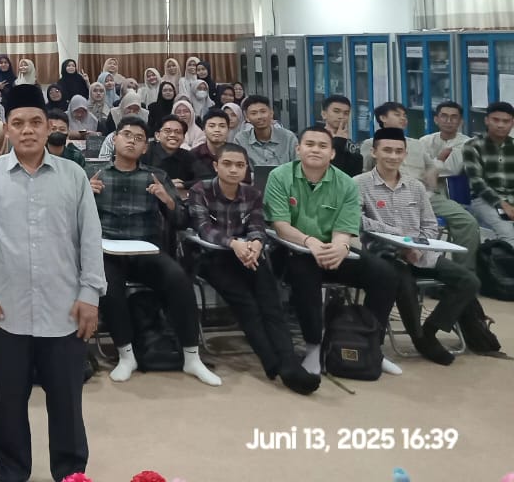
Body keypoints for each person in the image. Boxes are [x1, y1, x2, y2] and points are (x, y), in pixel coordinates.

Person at [0, 83, 104, 481]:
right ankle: (11, 470)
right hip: (6, 309)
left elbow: (90, 238)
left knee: (67, 400)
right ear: (7, 130)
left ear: (49, 127)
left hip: (65, 309)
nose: (27, 130)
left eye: (35, 122)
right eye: (18, 123)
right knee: (9, 400)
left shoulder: (74, 176)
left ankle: (71, 472)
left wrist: (90, 294)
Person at [90, 117, 219, 386]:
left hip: (146, 250)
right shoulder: (96, 175)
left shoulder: (156, 176)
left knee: (178, 278)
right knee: (108, 286)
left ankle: (191, 357)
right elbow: (72, 221)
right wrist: (86, 195)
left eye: (139, 138)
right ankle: (126, 356)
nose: (131, 141)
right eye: (126, 135)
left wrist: (167, 199)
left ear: (145, 147)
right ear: (115, 139)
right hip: (107, 251)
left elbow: (182, 220)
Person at [264, 125, 401, 376]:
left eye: (322, 146)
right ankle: (313, 347)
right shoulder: (280, 176)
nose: (316, 150)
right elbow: (280, 225)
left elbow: (345, 228)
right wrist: (310, 242)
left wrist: (340, 247)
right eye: (310, 144)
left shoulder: (346, 183)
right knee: (304, 274)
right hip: (293, 250)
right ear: (298, 149)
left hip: (332, 249)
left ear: (332, 153)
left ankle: (372, 346)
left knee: (385, 274)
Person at [187, 144, 320, 394]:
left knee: (270, 302)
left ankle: (289, 363)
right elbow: (204, 228)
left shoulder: (252, 193)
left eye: (240, 165)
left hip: (248, 255)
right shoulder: (200, 190)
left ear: (247, 169)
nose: (233, 170)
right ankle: (273, 364)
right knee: (247, 304)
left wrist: (257, 243)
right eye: (227, 164)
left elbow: (257, 226)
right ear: (216, 166)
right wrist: (234, 244)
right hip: (211, 258)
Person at [355, 128, 480, 366]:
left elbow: (430, 225)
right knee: (404, 282)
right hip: (384, 255)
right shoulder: (359, 184)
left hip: (420, 253)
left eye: (398, 151)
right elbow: (357, 220)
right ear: (374, 152)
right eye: (387, 150)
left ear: (405, 154)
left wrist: (419, 248)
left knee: (468, 281)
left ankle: (430, 330)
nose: (393, 156)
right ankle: (419, 338)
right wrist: (400, 238)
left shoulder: (415, 186)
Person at [360, 100, 481, 269]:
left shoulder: (417, 144)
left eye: (404, 115)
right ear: (382, 118)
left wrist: (431, 180)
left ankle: (464, 269)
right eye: (397, 114)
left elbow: (432, 168)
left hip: (424, 195)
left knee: (467, 222)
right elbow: (365, 172)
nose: (403, 118)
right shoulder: (370, 144)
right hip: (387, 194)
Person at [461, 100, 514, 244]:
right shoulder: (472, 146)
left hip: (511, 197)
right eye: (495, 120)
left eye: (506, 121)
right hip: (485, 200)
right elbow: (477, 183)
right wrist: (503, 204)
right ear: (486, 120)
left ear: (512, 123)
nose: (500, 125)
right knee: (509, 236)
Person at [145, 115, 214, 195]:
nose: (173, 135)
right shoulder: (145, 151)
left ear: (183, 138)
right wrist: (167, 183)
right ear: (157, 136)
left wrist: (184, 185)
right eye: (167, 131)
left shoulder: (187, 156)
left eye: (178, 132)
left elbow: (208, 179)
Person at [235, 95, 299, 180]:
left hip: (285, 184)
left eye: (263, 111)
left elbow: (298, 167)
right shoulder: (241, 139)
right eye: (254, 113)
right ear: (247, 118)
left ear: (271, 113)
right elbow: (238, 169)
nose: (259, 117)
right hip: (253, 185)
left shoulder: (288, 137)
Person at [421, 101, 469, 174]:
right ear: (436, 120)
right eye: (444, 116)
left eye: (454, 117)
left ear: (461, 122)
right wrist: (440, 158)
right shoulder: (425, 141)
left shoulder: (468, 144)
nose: (449, 121)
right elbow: (419, 169)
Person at [193, 108, 234, 178]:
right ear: (204, 130)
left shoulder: (237, 154)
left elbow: (245, 181)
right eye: (212, 126)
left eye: (222, 126)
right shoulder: (193, 155)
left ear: (228, 130)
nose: (217, 130)